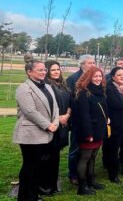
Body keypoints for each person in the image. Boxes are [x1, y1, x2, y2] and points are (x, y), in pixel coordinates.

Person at [13, 60, 59, 201]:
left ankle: (33, 195)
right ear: (29, 72)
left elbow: (55, 107)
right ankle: (25, 197)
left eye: (44, 69)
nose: (44, 72)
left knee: (38, 167)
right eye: (40, 70)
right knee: (30, 167)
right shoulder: (23, 88)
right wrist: (47, 125)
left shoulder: (47, 87)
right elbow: (29, 111)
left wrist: (55, 122)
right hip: (30, 134)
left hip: (46, 132)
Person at [74, 67, 108, 195]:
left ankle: (91, 180)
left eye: (100, 76)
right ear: (89, 77)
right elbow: (84, 115)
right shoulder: (84, 92)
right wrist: (88, 134)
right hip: (89, 131)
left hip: (99, 129)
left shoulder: (100, 91)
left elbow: (104, 107)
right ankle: (82, 187)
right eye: (95, 76)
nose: (98, 79)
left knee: (93, 156)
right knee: (85, 157)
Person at [40, 60, 71, 195]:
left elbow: (71, 102)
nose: (56, 72)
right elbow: (45, 108)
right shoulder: (45, 86)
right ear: (47, 71)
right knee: (46, 157)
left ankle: (53, 185)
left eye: (58, 69)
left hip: (63, 125)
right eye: (53, 70)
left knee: (55, 157)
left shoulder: (63, 86)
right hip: (51, 126)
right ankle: (44, 186)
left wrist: (67, 115)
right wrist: (58, 118)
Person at [66, 54, 95, 185]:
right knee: (76, 148)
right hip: (78, 121)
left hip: (93, 120)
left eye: (93, 62)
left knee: (90, 149)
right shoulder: (72, 79)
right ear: (82, 64)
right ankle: (73, 174)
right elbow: (70, 100)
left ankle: (88, 173)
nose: (92, 65)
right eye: (89, 63)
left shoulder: (95, 77)